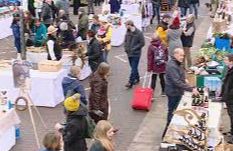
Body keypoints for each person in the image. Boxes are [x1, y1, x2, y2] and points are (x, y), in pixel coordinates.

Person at [165, 48, 199, 128]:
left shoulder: (177, 62)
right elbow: (176, 81)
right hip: (173, 92)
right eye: (180, 55)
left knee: (176, 110)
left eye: (183, 55)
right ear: (175, 54)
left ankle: (173, 127)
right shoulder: (172, 66)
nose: (182, 57)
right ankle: (167, 130)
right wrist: (191, 89)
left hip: (177, 91)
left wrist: (184, 79)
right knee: (172, 111)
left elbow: (179, 75)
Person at [124, 20, 145, 88]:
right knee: (133, 67)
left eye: (126, 25)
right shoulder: (128, 32)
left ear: (130, 25)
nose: (125, 26)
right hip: (129, 53)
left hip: (136, 53)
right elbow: (125, 41)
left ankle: (130, 82)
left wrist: (134, 48)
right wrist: (126, 48)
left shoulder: (139, 33)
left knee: (133, 68)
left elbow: (142, 43)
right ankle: (137, 78)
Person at [220, 54, 233, 141]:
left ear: (231, 61)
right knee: (230, 115)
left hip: (231, 98)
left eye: (226, 59)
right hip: (229, 98)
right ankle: (232, 131)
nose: (224, 61)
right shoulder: (229, 69)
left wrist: (228, 95)